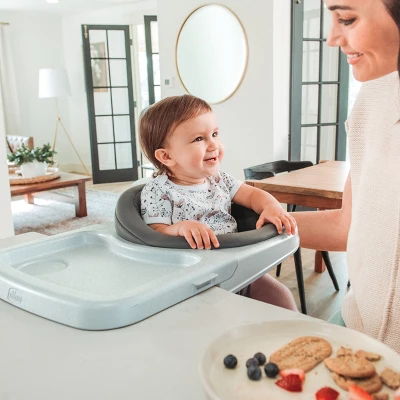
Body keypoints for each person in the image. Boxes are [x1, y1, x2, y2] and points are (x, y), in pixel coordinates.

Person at [293, 0, 400, 353]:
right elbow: (347, 226)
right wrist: (240, 224)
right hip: (352, 327)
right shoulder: (371, 97)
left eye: (347, 19)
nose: (332, 38)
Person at [139, 94, 298, 311]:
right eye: (199, 139)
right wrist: (181, 228)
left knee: (280, 296)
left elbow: (253, 195)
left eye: (214, 134)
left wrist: (271, 207)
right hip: (191, 279)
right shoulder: (157, 191)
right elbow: (154, 234)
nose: (213, 144)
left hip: (237, 264)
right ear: (166, 156)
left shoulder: (219, 180)